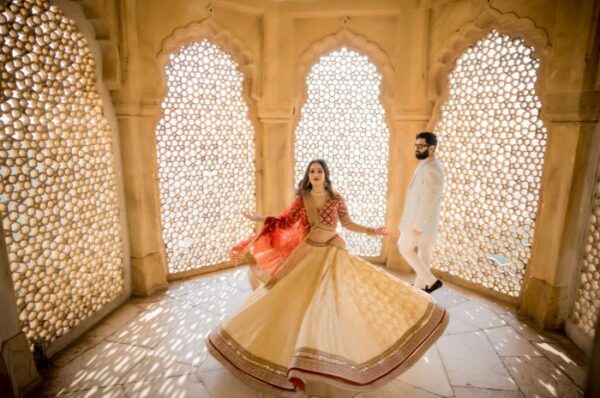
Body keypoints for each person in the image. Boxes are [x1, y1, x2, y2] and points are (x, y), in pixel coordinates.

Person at [206, 159, 449, 397]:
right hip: (308, 253)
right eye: (311, 171)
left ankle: (325, 356)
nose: (315, 174)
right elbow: (286, 221)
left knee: (335, 302)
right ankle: (293, 356)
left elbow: (348, 223)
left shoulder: (336, 198)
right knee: (289, 301)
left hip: (332, 253)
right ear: (308, 175)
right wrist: (263, 219)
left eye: (319, 171)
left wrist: (372, 231)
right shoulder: (303, 199)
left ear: (325, 175)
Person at [398, 131, 444, 293]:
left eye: (421, 146)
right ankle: (420, 287)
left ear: (432, 148)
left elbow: (428, 200)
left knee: (404, 247)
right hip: (424, 222)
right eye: (416, 145)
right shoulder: (428, 163)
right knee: (424, 252)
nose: (417, 149)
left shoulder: (432, 169)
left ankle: (431, 282)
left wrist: (418, 224)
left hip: (420, 222)